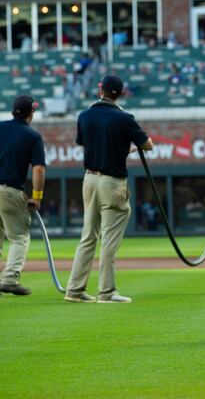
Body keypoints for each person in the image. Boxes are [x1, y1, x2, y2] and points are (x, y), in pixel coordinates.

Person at [64, 75, 154, 304]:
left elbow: (84, 144)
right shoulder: (124, 118)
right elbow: (148, 144)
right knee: (110, 238)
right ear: (121, 93)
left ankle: (74, 289)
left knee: (88, 235)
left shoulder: (84, 115)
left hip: (90, 179)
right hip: (112, 181)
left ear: (100, 89)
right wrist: (128, 149)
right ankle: (106, 292)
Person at [0, 95, 45, 296]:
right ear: (31, 113)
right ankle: (10, 279)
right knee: (19, 237)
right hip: (10, 190)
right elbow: (38, 170)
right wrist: (37, 196)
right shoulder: (32, 136)